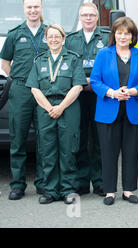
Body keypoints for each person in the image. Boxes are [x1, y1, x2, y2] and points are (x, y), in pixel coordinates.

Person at [90, 17, 138, 205]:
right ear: (114, 35)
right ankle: (109, 191)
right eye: (119, 33)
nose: (123, 36)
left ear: (133, 36)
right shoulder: (103, 54)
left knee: (131, 152)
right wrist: (112, 93)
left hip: (133, 111)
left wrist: (132, 91)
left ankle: (128, 190)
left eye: (127, 33)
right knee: (108, 152)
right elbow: (95, 81)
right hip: (108, 110)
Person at [26, 24, 86, 204]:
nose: (53, 39)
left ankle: (68, 189)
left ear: (63, 38)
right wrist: (49, 108)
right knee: (47, 150)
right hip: (45, 108)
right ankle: (50, 190)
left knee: (68, 150)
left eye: (57, 36)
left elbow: (78, 86)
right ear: (46, 39)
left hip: (68, 106)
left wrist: (61, 107)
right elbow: (34, 89)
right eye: (50, 36)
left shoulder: (73, 59)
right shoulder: (39, 60)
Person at [0, 0, 47, 200]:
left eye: (36, 7)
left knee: (44, 138)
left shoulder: (50, 32)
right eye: (29, 7)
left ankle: (43, 183)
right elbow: (5, 62)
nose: (33, 10)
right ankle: (18, 184)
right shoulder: (14, 34)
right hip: (20, 90)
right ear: (24, 9)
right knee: (18, 138)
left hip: (45, 90)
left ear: (41, 8)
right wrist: (19, 79)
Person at [65, 3, 109, 197]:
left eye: (92, 15)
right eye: (84, 15)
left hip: (101, 95)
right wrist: (81, 82)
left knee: (100, 139)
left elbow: (112, 64)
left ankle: (99, 182)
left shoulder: (107, 37)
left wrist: (97, 82)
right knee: (80, 138)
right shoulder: (71, 40)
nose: (88, 18)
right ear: (80, 17)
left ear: (97, 17)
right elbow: (67, 64)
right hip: (78, 95)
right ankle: (82, 182)